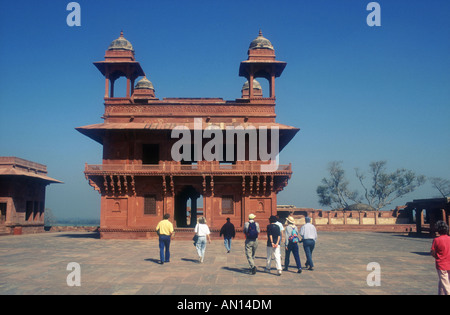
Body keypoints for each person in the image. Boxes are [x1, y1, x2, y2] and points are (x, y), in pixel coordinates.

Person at [430, 220, 450, 295]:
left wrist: (437, 257)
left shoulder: (436, 240)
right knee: (442, 282)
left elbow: (433, 252)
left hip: (441, 264)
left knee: (445, 284)